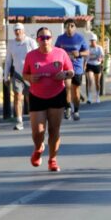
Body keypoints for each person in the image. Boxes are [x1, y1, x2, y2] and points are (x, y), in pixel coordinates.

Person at [22, 27, 74, 172]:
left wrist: (65, 74)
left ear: (51, 39)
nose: (45, 40)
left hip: (57, 94)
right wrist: (30, 78)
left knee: (54, 129)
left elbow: (71, 71)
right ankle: (38, 148)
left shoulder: (61, 53)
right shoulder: (31, 55)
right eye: (42, 38)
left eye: (47, 37)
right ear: (37, 40)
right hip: (37, 96)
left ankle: (52, 159)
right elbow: (25, 74)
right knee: (38, 132)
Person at [4, 23, 38, 130]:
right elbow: (8, 61)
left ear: (23, 31)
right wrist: (5, 76)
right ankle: (19, 121)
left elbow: (38, 57)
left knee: (29, 98)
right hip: (17, 74)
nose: (17, 32)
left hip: (29, 74)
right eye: (16, 30)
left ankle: (34, 119)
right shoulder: (11, 44)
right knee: (17, 96)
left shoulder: (30, 42)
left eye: (19, 30)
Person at [54, 19, 88, 121]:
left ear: (75, 27)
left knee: (76, 91)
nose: (69, 28)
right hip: (65, 67)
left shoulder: (80, 38)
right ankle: (68, 107)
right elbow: (55, 51)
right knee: (67, 87)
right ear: (65, 27)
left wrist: (79, 54)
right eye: (68, 26)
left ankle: (76, 110)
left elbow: (87, 52)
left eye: (72, 26)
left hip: (77, 68)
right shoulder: (60, 38)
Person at [85, 34, 104, 104]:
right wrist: (84, 65)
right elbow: (85, 57)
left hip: (97, 65)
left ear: (96, 41)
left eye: (93, 40)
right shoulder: (88, 48)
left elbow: (102, 56)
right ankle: (89, 97)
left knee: (97, 82)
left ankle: (97, 96)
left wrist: (100, 59)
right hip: (89, 65)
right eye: (91, 41)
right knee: (90, 80)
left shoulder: (99, 48)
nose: (92, 42)